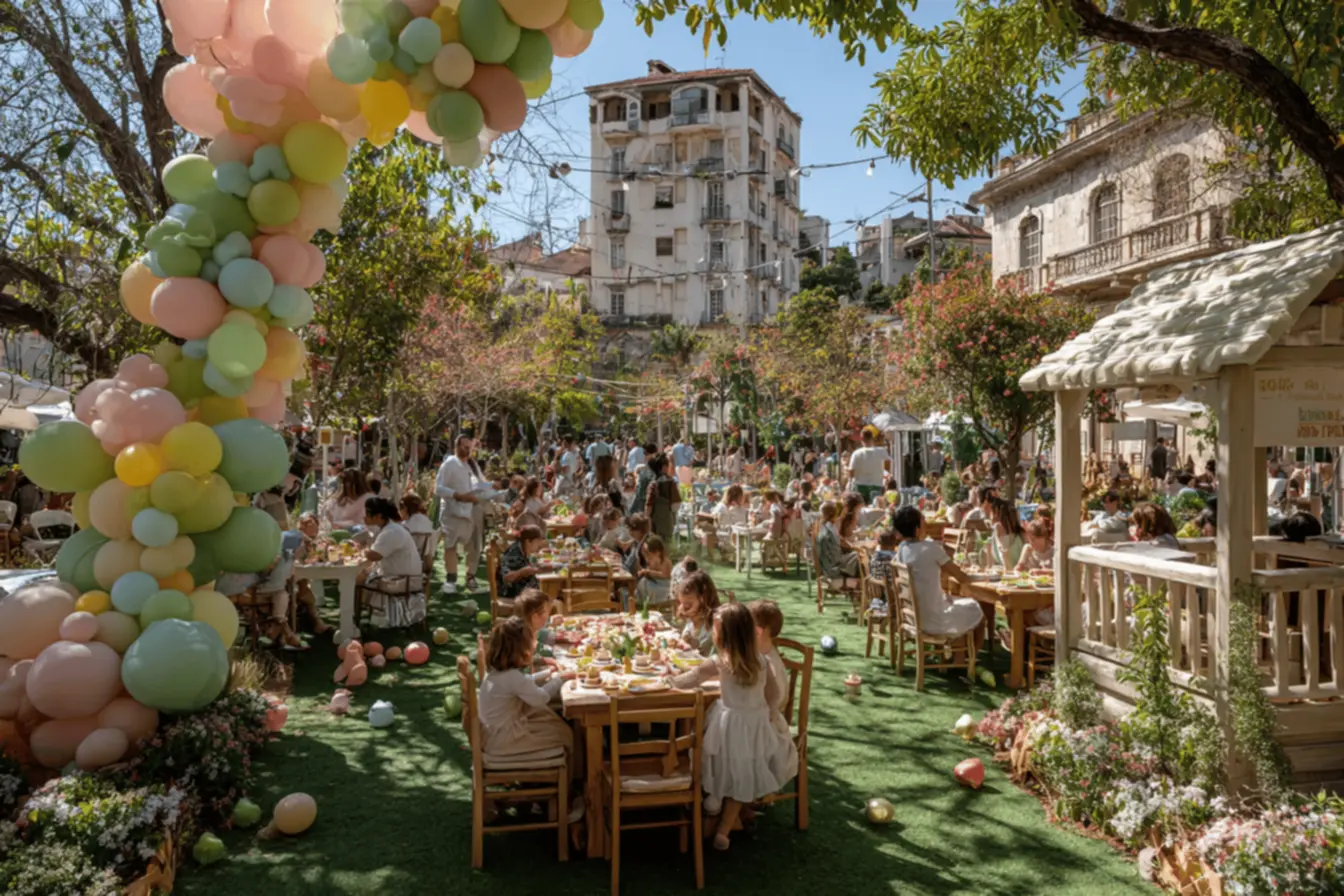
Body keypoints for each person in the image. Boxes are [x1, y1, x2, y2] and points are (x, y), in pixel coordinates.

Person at [669, 602, 796, 852]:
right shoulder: (761, 661)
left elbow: (689, 680)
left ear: (723, 635)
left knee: (717, 760)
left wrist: (668, 680)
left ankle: (714, 800)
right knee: (743, 773)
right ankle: (723, 831)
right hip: (754, 726)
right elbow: (774, 694)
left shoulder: (719, 662)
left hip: (728, 724)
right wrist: (768, 713)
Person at [478, 617, 583, 819]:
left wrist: (547, 673)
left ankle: (544, 790)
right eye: (531, 643)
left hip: (493, 735)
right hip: (505, 741)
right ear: (519, 650)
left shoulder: (498, 673)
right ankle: (564, 799)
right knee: (566, 735)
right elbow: (540, 698)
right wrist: (560, 678)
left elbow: (523, 682)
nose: (534, 646)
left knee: (552, 722)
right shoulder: (512, 677)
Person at [891, 506, 984, 645]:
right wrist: (985, 577)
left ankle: (958, 654)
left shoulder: (902, 549)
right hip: (934, 621)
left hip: (912, 618)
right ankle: (966, 656)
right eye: (923, 522)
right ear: (917, 529)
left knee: (955, 603)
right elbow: (962, 578)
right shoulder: (930, 548)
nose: (926, 525)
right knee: (975, 608)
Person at [358, 497, 426, 627]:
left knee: (357, 579)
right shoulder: (391, 528)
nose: (364, 517)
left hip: (402, 581)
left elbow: (374, 555)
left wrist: (361, 549)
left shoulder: (391, 531)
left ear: (378, 516)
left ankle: (353, 619)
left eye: (367, 513)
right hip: (406, 577)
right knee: (364, 573)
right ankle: (366, 613)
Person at [435, 435, 484, 595]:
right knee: (451, 546)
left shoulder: (472, 466)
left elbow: (481, 484)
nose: (467, 450)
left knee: (474, 547)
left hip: (471, 512)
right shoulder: (449, 464)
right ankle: (451, 581)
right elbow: (438, 489)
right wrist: (458, 496)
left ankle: (471, 578)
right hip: (453, 513)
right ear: (456, 447)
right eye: (464, 447)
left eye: (469, 447)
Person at [675, 569, 720, 657]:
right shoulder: (694, 618)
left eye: (687, 605)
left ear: (704, 600)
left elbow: (708, 653)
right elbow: (688, 630)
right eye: (681, 603)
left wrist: (698, 644)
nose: (683, 609)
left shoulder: (716, 625)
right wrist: (686, 635)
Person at [497, 524, 548, 600]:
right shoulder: (513, 553)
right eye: (537, 542)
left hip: (524, 588)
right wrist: (521, 572)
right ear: (528, 542)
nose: (539, 545)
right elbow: (506, 578)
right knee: (550, 594)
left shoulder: (521, 548)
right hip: (514, 594)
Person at [513, 587, 561, 659]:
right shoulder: (522, 641)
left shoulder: (525, 628)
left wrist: (550, 621)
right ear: (535, 617)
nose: (548, 614)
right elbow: (538, 653)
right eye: (546, 611)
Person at [816, 500, 860, 579]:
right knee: (861, 556)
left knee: (858, 555)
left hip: (830, 564)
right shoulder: (829, 529)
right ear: (834, 514)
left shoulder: (826, 526)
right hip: (834, 567)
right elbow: (836, 555)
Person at [847, 427, 891, 505]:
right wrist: (885, 476)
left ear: (861, 438)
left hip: (860, 486)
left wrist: (850, 483)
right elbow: (888, 464)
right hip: (876, 485)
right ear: (872, 438)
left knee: (860, 507)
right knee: (875, 507)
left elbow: (851, 471)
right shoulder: (881, 451)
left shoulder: (856, 453)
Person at [644, 453, 681, 543]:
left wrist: (646, 519)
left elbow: (648, 506)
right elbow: (676, 505)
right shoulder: (670, 482)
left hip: (655, 520)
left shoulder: (653, 484)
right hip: (667, 519)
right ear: (664, 467)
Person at [635, 534, 672, 608]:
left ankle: (652, 605)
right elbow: (649, 569)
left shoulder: (665, 561)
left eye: (650, 553)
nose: (649, 555)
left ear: (658, 552)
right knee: (642, 583)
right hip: (654, 581)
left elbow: (665, 575)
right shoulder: (652, 559)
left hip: (663, 584)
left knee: (649, 586)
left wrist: (649, 572)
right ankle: (642, 603)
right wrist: (643, 570)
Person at [989, 497, 1025, 568]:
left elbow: (1001, 549)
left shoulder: (998, 527)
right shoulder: (1020, 530)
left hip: (1006, 563)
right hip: (1017, 562)